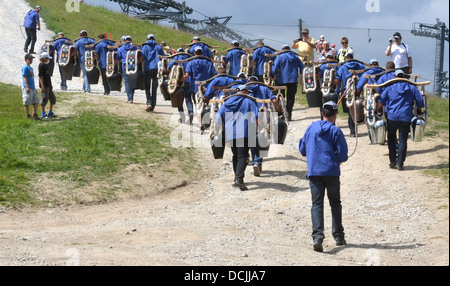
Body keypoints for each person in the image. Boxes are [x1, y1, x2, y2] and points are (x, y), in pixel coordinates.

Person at [299, 101, 349, 252]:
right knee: (335, 203)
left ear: (322, 113)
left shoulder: (311, 128)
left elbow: (302, 149)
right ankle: (339, 236)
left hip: (314, 172)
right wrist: (337, 160)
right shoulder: (336, 131)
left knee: (317, 204)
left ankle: (317, 237)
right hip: (332, 172)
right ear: (335, 115)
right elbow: (343, 154)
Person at [376, 69, 424, 171]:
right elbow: (420, 100)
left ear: (394, 77)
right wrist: (419, 109)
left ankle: (392, 161)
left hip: (392, 117)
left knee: (391, 138)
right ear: (404, 77)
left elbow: (380, 101)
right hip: (405, 117)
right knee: (403, 140)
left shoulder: (389, 87)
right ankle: (400, 164)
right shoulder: (412, 88)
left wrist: (376, 111)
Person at [215, 85, 260, 191]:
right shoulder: (249, 102)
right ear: (245, 92)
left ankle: (237, 179)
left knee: (236, 155)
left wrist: (218, 131)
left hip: (230, 133)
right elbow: (257, 117)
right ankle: (239, 180)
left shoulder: (227, 102)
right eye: (247, 92)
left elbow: (218, 118)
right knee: (243, 156)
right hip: (244, 132)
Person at [181, 46, 217, 125]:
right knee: (205, 103)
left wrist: (179, 80)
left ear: (194, 53)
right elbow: (214, 75)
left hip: (195, 87)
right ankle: (205, 120)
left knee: (194, 102)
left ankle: (191, 113)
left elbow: (186, 75)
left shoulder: (191, 62)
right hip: (206, 88)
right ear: (202, 53)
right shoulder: (209, 63)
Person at [333, 53, 366, 137]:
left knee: (350, 112)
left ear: (346, 58)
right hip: (358, 92)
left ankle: (352, 131)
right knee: (355, 110)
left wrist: (332, 84)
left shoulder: (342, 67)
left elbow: (337, 80)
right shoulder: (360, 66)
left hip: (347, 92)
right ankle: (354, 129)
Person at [271, 44, 304, 121]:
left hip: (281, 81)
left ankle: (281, 113)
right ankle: (289, 114)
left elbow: (274, 69)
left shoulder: (279, 57)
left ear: (282, 50)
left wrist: (271, 75)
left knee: (280, 96)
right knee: (291, 97)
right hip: (293, 81)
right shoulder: (296, 57)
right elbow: (303, 67)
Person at [167, 48, 192, 123]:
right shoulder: (189, 58)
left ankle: (182, 117)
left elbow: (169, 68)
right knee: (188, 99)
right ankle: (191, 112)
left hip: (179, 82)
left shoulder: (176, 57)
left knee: (179, 99)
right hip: (188, 81)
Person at [141, 34, 165, 111]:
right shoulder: (158, 47)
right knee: (154, 88)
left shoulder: (145, 47)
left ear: (147, 39)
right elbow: (163, 57)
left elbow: (142, 56)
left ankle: (149, 102)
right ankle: (153, 105)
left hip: (148, 68)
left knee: (147, 86)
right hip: (158, 69)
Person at [116, 35, 139, 103]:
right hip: (134, 66)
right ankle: (131, 96)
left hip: (125, 66)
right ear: (131, 40)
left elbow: (118, 57)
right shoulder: (135, 47)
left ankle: (129, 98)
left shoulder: (121, 48)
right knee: (133, 81)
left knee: (127, 82)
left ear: (125, 40)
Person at [38, 52, 56, 119]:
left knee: (53, 98)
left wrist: (50, 85)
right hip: (44, 86)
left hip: (48, 85)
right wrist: (42, 86)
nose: (48, 59)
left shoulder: (46, 65)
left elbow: (48, 76)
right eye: (47, 58)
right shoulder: (41, 65)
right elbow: (41, 76)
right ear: (44, 58)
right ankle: (43, 114)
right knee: (44, 99)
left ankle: (50, 112)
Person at [21, 53, 40, 120]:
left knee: (36, 101)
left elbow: (32, 78)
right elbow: (25, 77)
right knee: (27, 101)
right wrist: (27, 87)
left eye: (31, 59)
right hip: (27, 87)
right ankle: (27, 114)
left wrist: (34, 88)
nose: (31, 60)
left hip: (32, 87)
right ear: (25, 60)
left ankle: (34, 113)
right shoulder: (25, 67)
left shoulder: (31, 68)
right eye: (29, 59)